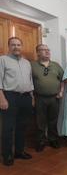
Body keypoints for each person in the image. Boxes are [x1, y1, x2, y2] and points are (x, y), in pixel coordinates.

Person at [0, 37, 34, 166]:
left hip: (25, 97)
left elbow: (30, 81)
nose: (16, 47)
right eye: (13, 45)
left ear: (22, 46)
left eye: (18, 45)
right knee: (8, 128)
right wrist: (2, 99)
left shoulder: (26, 62)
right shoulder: (2, 60)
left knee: (22, 126)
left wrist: (31, 97)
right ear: (9, 46)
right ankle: (7, 155)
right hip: (9, 96)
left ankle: (19, 152)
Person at [31, 44, 64, 152]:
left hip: (54, 98)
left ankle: (53, 139)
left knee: (53, 121)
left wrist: (61, 91)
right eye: (43, 50)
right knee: (40, 122)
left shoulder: (56, 65)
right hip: (39, 98)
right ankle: (40, 141)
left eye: (48, 50)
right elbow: (28, 81)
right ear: (38, 52)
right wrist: (32, 97)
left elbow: (63, 79)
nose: (47, 52)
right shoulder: (32, 65)